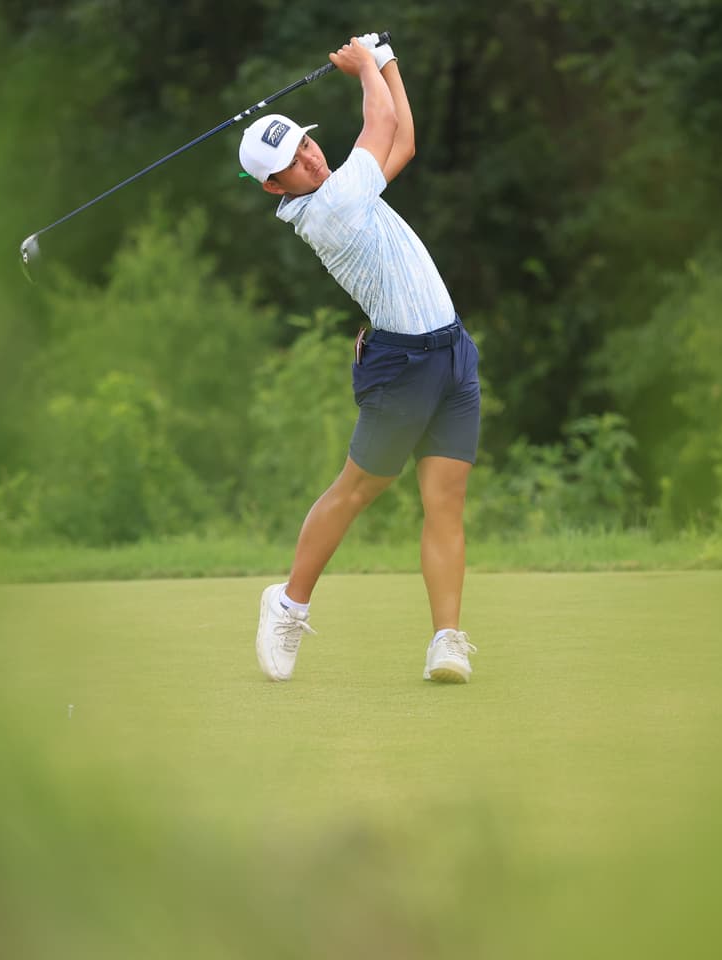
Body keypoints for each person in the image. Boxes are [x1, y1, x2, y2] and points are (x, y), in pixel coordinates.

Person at [240, 34, 481, 684]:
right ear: (273, 187)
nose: (310, 158)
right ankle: (288, 603)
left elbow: (400, 143)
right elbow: (379, 121)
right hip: (402, 366)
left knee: (446, 500)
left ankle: (447, 640)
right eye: (293, 161)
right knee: (359, 489)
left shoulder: (347, 183)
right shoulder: (329, 209)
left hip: (452, 353)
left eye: (307, 144)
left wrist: (390, 62)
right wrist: (364, 68)